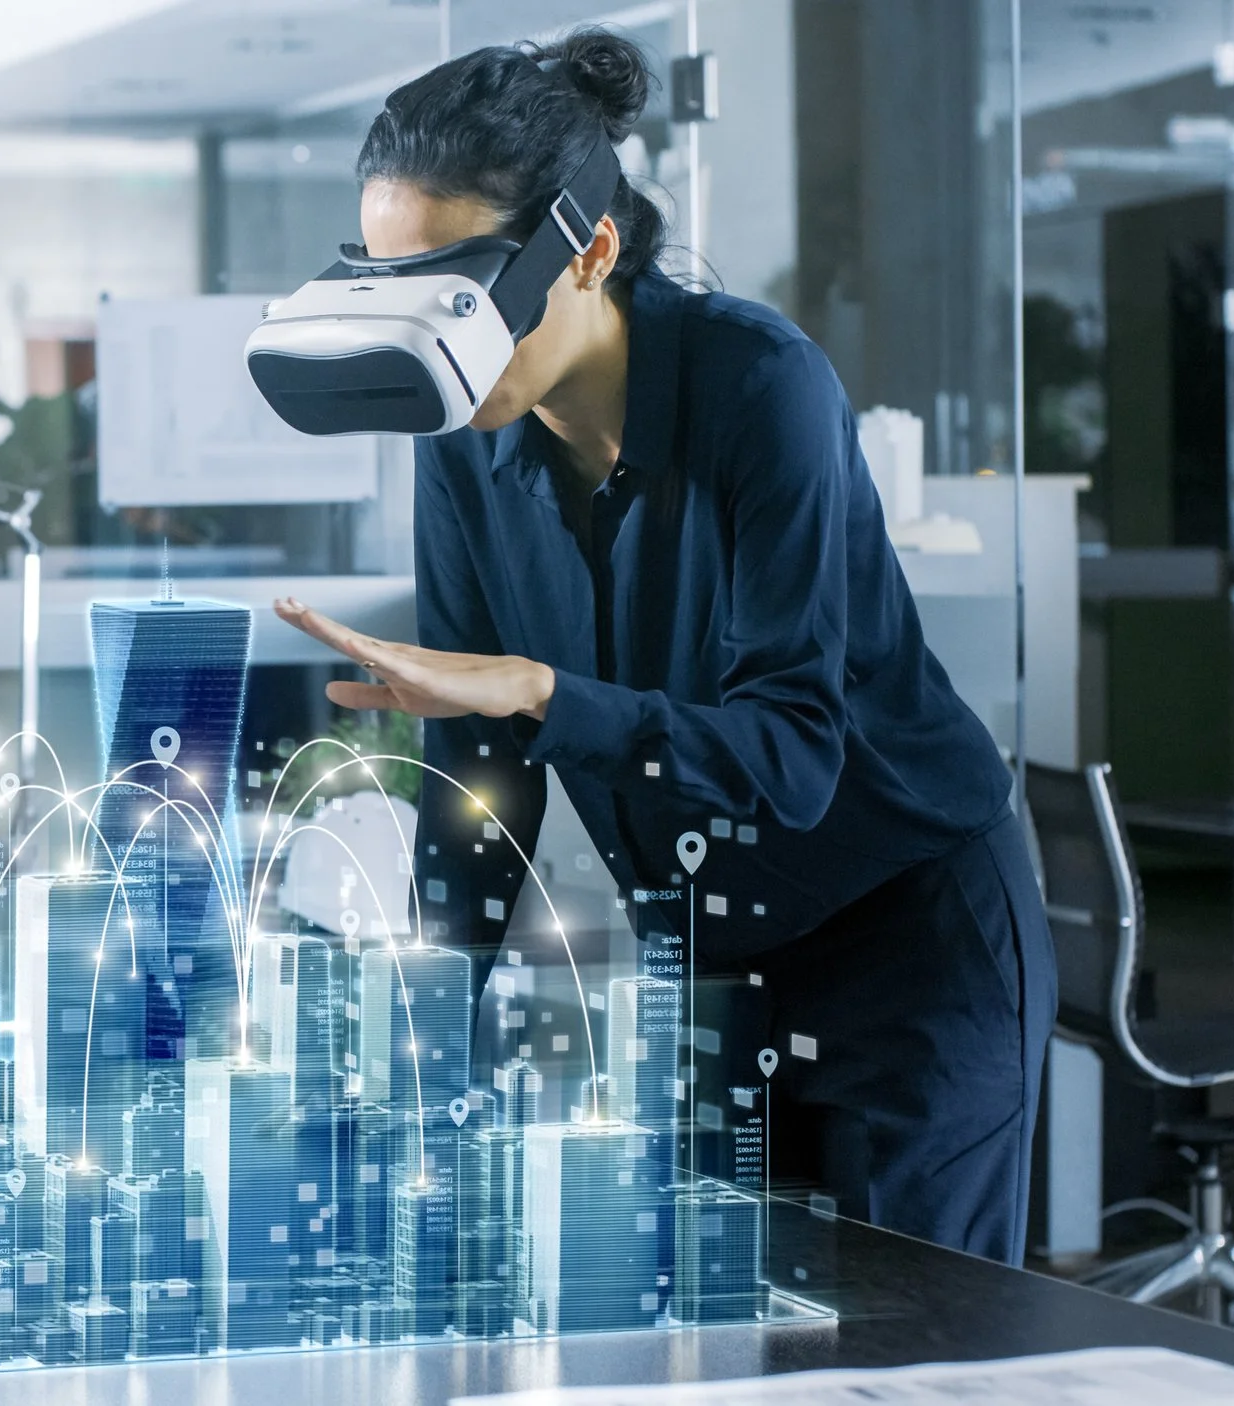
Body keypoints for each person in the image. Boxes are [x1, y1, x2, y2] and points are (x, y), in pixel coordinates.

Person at [275, 30, 1057, 1265]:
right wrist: (413, 1059)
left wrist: (541, 691)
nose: (420, 336)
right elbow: (482, 778)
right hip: (711, 947)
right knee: (723, 1331)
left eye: (450, 289)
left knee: (922, 1347)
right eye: (387, 286)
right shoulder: (466, 438)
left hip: (904, 934)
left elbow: (791, 758)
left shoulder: (763, 388)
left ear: (584, 251)